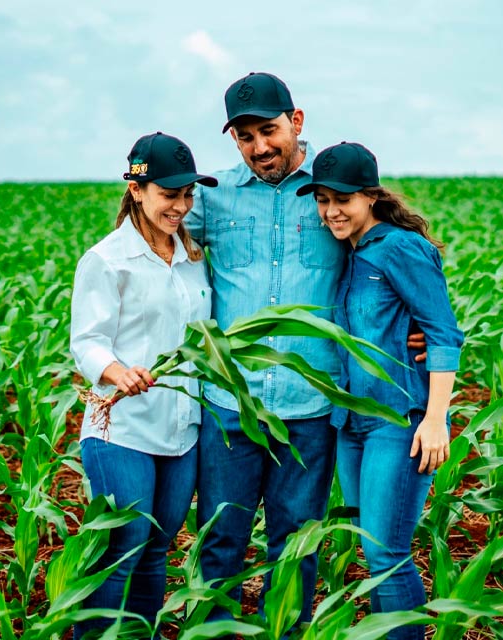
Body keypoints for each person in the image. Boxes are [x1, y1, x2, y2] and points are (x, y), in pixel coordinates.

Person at [184, 72, 344, 623]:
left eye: (269, 131)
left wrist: (418, 329)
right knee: (221, 540)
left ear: (296, 122)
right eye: (244, 136)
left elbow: (392, 249)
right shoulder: (211, 197)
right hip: (231, 405)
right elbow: (149, 231)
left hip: (310, 406)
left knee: (296, 545)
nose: (259, 147)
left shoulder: (336, 189)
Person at [297, 142, 463, 640]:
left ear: (370, 196)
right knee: (370, 546)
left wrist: (435, 419)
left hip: (400, 421)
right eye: (323, 199)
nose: (331, 211)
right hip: (352, 425)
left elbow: (443, 333)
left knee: (385, 550)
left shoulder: (398, 247)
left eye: (342, 199)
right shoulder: (350, 253)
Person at [69, 132, 217, 639]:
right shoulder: (108, 260)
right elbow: (86, 341)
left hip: (182, 430)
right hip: (123, 430)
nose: (180, 206)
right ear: (137, 189)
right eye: (168, 194)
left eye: (187, 195)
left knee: (157, 551)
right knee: (123, 548)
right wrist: (117, 371)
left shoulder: (194, 256)